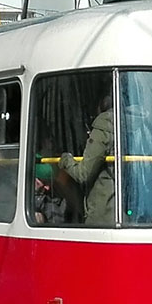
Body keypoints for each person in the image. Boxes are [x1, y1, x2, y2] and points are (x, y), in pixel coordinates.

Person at [60, 95, 116, 226]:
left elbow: (83, 173)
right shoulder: (136, 124)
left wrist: (65, 160)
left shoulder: (105, 125)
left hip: (103, 213)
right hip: (132, 211)